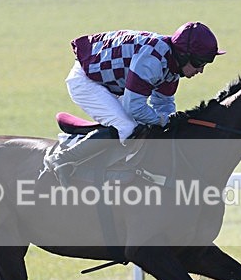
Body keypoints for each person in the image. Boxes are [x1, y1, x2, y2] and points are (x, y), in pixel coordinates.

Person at [45, 21, 225, 184]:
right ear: (184, 55)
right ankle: (62, 158)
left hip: (111, 82)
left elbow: (163, 105)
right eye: (199, 62)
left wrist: (170, 122)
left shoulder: (172, 64)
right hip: (86, 80)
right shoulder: (153, 60)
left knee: (143, 126)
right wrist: (164, 121)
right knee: (127, 127)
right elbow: (135, 108)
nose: (200, 70)